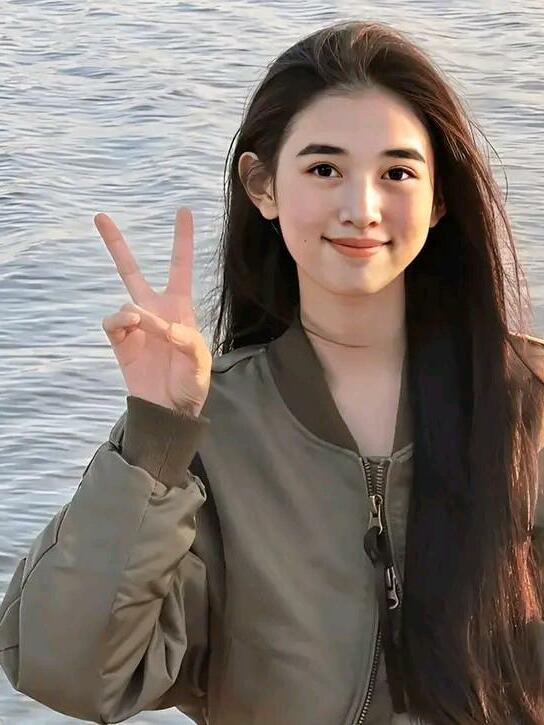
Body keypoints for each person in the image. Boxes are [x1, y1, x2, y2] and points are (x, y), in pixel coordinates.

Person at [1, 18, 544, 725]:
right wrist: (156, 439)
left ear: (439, 198)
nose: (361, 208)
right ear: (263, 187)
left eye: (397, 172)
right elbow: (67, 671)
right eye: (324, 169)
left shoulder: (527, 402)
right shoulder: (211, 429)